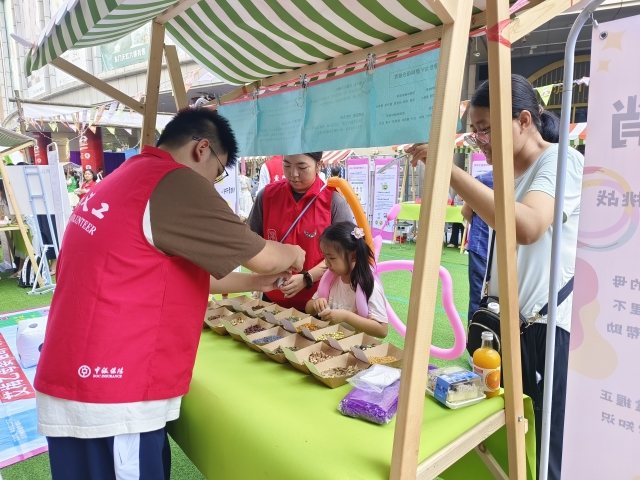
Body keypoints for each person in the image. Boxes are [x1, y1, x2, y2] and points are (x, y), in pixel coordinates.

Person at [34, 108, 306, 480]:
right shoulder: (177, 182)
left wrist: (257, 284)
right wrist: (294, 253)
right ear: (202, 149)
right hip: (113, 392)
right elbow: (265, 257)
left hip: (81, 377)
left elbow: (172, 274)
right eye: (217, 172)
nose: (213, 185)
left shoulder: (128, 176)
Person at [408, 74, 582, 480]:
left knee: (545, 446)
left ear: (524, 120)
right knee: (508, 436)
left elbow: (528, 226)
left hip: (545, 330)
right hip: (505, 327)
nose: (480, 141)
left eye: (486, 130)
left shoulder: (561, 160)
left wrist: (448, 170)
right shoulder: (508, 175)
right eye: (475, 132)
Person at [247, 152, 353, 311]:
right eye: (287, 165)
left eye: (302, 167)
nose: (293, 174)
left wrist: (307, 277)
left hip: (318, 303)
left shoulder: (334, 202)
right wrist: (257, 272)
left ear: (319, 165)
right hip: (271, 300)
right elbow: (251, 242)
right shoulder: (266, 196)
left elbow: (345, 254)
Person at [306, 222, 388, 337]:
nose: (327, 263)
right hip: (332, 343)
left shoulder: (369, 286)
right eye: (325, 257)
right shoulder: (331, 280)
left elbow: (382, 330)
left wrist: (346, 317)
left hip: (358, 346)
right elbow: (308, 308)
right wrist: (316, 303)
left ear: (353, 256)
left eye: (332, 258)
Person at [461, 172, 494, 323]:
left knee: (477, 295)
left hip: (481, 243)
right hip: (491, 246)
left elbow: (465, 211)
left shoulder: (482, 180)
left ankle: (475, 332)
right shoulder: (520, 179)